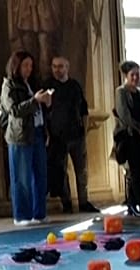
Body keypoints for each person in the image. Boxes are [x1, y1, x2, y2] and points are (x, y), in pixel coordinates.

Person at [0, 50, 52, 226]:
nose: (29, 69)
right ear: (16, 66)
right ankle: (22, 215)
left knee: (40, 175)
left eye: (31, 65)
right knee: (21, 178)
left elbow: (39, 110)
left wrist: (46, 103)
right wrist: (35, 101)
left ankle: (39, 213)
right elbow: (14, 110)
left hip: (37, 132)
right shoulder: (9, 85)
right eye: (25, 65)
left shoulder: (32, 83)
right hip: (20, 136)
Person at [46, 56, 96, 214]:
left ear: (67, 67)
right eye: (54, 66)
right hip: (57, 137)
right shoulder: (48, 86)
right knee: (61, 172)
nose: (57, 69)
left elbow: (84, 110)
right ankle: (66, 203)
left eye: (60, 66)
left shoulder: (75, 86)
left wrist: (85, 130)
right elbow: (44, 112)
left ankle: (84, 202)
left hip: (77, 136)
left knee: (82, 171)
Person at [113, 61, 140, 217]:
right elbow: (124, 115)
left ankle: (132, 204)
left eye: (138, 74)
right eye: (133, 75)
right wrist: (139, 129)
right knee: (136, 173)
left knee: (138, 172)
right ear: (126, 76)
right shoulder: (121, 92)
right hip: (130, 137)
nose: (136, 77)